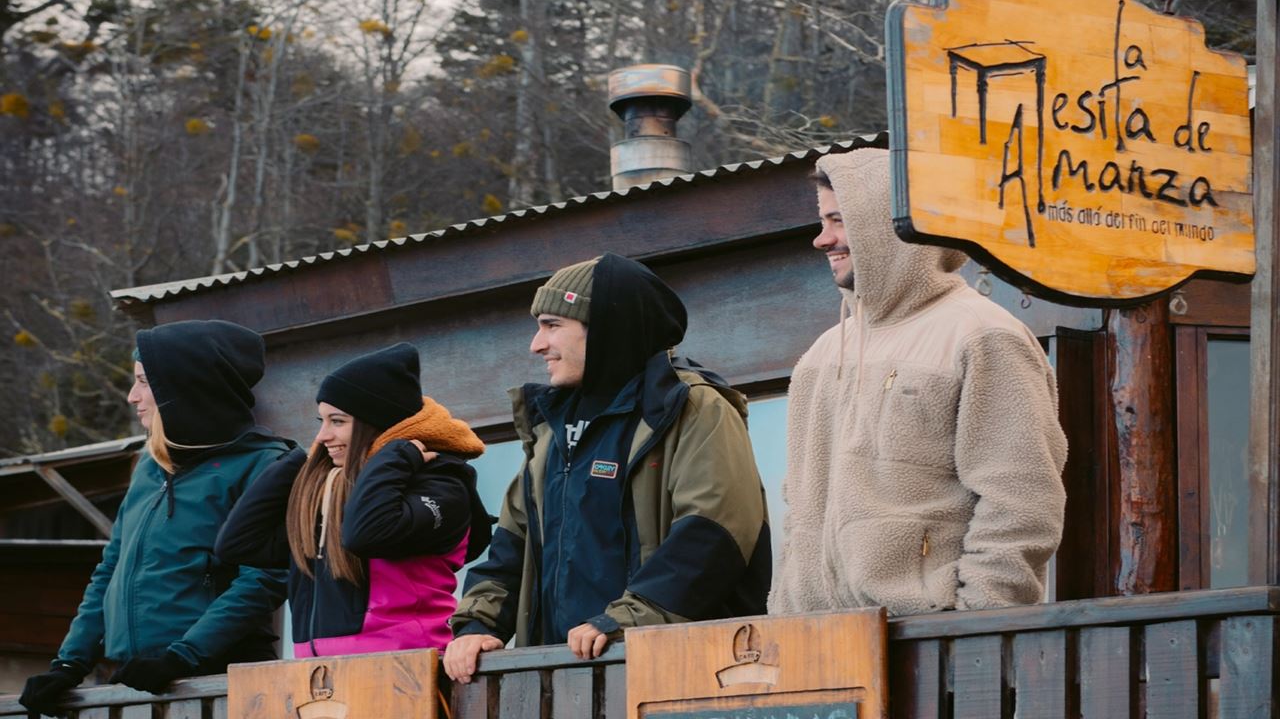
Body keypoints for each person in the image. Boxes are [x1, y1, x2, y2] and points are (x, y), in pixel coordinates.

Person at [444, 253, 771, 683]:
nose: (536, 344)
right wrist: (477, 626)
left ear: (604, 330)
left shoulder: (690, 407)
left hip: (674, 672)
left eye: (552, 325)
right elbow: (511, 547)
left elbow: (714, 534)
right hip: (560, 679)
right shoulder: (549, 429)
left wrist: (625, 622)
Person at [769, 148, 1067, 617]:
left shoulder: (983, 335)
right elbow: (799, 512)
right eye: (823, 222)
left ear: (888, 223)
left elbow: (1022, 501)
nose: (822, 240)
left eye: (839, 221)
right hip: (817, 646)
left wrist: (974, 621)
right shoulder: (822, 354)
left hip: (932, 644)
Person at [20, 320, 291, 715]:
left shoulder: (267, 465)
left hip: (220, 681)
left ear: (186, 388)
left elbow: (264, 579)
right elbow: (110, 570)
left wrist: (182, 656)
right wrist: (70, 662)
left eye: (144, 381)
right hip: (137, 681)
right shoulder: (150, 466)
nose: (132, 397)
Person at [215, 342, 492, 657]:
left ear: (375, 423)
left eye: (337, 421)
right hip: (321, 677)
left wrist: (396, 452)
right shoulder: (330, 491)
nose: (322, 436)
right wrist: (298, 463)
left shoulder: (441, 484)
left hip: (407, 665)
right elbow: (237, 544)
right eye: (320, 422)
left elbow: (367, 534)